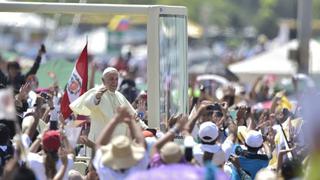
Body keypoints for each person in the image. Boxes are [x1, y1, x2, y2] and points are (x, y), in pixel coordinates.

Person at [70, 67, 147, 142]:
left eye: (116, 79)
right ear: (103, 81)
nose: (114, 82)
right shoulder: (97, 92)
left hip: (118, 143)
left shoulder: (120, 96)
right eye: (111, 79)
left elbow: (134, 117)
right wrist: (96, 98)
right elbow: (87, 106)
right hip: (99, 142)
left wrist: (145, 127)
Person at [93, 106, 148, 180]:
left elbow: (99, 145)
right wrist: (131, 121)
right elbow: (141, 142)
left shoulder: (106, 171)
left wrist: (115, 119)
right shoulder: (138, 169)